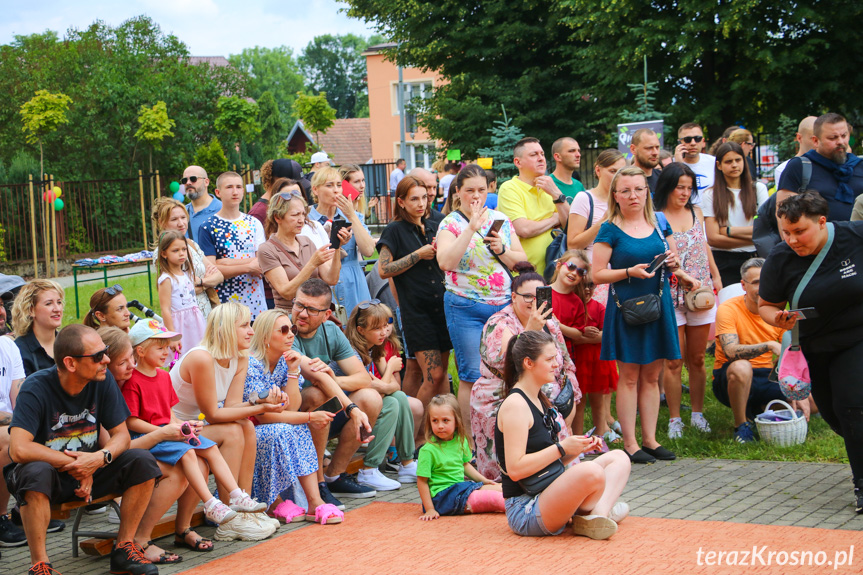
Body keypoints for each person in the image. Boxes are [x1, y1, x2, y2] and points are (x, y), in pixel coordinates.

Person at [7, 324, 162, 575]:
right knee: (34, 471)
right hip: (49, 478)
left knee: (141, 460)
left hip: (89, 471)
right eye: (98, 356)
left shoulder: (102, 379)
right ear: (70, 363)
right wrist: (78, 465)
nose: (107, 360)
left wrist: (98, 459)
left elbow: (121, 436)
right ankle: (40, 565)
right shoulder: (36, 387)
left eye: (106, 351)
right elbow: (19, 449)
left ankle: (124, 550)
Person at [123, 320, 273, 542]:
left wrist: (183, 427)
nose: (166, 352)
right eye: (160, 347)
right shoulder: (133, 381)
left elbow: (170, 412)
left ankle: (237, 495)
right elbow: (132, 421)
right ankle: (211, 503)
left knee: (210, 448)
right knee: (190, 453)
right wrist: (163, 430)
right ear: (141, 351)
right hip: (153, 437)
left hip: (171, 431)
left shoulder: (163, 376)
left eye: (167, 347)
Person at [758, 191, 863, 511]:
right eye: (785, 232)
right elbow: (766, 305)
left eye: (799, 231)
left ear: (822, 221)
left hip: (857, 338)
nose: (792, 240)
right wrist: (776, 319)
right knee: (834, 415)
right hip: (815, 345)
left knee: (852, 405)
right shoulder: (780, 257)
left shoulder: (855, 236)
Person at [592, 167, 700, 464]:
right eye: (625, 190)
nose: (633, 195)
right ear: (615, 195)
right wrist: (628, 271)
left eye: (639, 189)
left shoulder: (659, 221)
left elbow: (672, 260)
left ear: (647, 192)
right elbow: (596, 273)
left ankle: (650, 440)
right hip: (627, 307)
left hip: (657, 304)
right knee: (628, 376)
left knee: (652, 375)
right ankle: (630, 444)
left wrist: (680, 269)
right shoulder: (610, 228)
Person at [495, 330, 631, 539]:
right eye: (549, 359)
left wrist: (576, 449)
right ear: (528, 363)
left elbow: (549, 461)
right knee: (590, 472)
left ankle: (597, 516)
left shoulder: (538, 399)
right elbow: (515, 469)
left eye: (555, 358)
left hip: (548, 489)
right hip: (526, 508)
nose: (556, 364)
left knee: (619, 458)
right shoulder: (516, 405)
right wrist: (561, 448)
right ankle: (597, 515)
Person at [169, 303, 284, 541]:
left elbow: (231, 408)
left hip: (194, 426)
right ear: (223, 329)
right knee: (233, 431)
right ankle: (228, 517)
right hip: (171, 427)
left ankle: (245, 509)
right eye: (243, 325)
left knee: (246, 425)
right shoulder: (201, 357)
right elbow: (212, 413)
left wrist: (265, 404)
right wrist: (261, 407)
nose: (251, 331)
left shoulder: (240, 357)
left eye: (250, 324)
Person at [436, 164, 527, 441]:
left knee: (507, 371)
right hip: (465, 306)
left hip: (501, 306)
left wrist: (503, 249)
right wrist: (471, 228)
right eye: (469, 190)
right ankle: (471, 440)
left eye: (482, 190)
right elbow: (446, 262)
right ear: (458, 193)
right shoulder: (450, 223)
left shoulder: (500, 218)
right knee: (471, 374)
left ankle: (503, 432)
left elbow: (523, 263)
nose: (476, 196)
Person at [470, 262, 578, 480]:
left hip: (544, 395)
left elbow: (565, 362)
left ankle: (560, 479)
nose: (533, 301)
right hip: (500, 393)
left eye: (539, 294)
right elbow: (505, 362)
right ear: (513, 297)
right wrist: (530, 330)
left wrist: (572, 396)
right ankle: (504, 486)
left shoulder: (550, 321)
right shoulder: (498, 322)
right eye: (527, 296)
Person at [244, 309, 344, 525]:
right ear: (264, 337)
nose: (291, 334)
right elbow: (263, 417)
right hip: (244, 427)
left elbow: (293, 405)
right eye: (284, 330)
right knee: (284, 429)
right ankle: (273, 501)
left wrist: (292, 371)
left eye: (292, 329)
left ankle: (314, 502)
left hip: (269, 423)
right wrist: (309, 417)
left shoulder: (284, 360)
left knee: (294, 428)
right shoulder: (250, 364)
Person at [97, 326, 186, 563]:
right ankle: (139, 539)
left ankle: (160, 533)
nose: (132, 366)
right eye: (123, 362)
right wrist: (162, 434)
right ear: (105, 363)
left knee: (185, 467)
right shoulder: (104, 389)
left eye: (131, 359)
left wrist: (173, 429)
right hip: (105, 463)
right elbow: (113, 451)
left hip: (123, 456)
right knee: (174, 472)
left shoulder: (117, 384)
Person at [290, 279, 378, 505]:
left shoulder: (331, 330)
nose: (302, 314)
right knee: (318, 395)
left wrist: (333, 378)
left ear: (327, 314)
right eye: (299, 305)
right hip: (289, 414)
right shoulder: (284, 330)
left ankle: (333, 476)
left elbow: (363, 378)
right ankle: (317, 482)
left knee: (370, 398)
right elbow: (315, 378)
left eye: (311, 310)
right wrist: (350, 406)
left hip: (323, 411)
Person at [653, 163, 722, 439]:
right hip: (670, 293)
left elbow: (704, 245)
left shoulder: (697, 211)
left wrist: (715, 275)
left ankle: (697, 413)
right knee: (673, 360)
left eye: (689, 187)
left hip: (701, 292)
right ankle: (673, 418)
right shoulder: (655, 216)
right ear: (668, 186)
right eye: (680, 186)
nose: (685, 192)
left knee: (696, 358)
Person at [378, 177, 452, 407]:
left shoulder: (434, 225)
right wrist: (418, 255)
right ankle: (413, 431)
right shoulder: (394, 230)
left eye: (424, 198)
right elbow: (383, 270)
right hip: (417, 313)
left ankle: (443, 430)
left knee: (441, 376)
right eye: (414, 199)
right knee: (434, 374)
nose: (421, 203)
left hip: (441, 307)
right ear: (401, 202)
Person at [345, 301, 420, 490]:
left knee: (400, 398)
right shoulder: (352, 351)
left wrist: (381, 384)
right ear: (361, 330)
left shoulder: (375, 348)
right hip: (347, 406)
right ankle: (369, 470)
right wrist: (389, 372)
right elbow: (371, 386)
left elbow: (394, 387)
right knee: (392, 404)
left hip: (365, 402)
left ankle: (407, 463)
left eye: (385, 326)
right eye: (376, 328)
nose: (384, 332)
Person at [712, 258, 786, 443]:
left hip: (769, 375)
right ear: (743, 285)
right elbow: (730, 351)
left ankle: (760, 410)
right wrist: (769, 345)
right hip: (732, 377)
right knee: (741, 367)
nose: (763, 286)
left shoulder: (778, 310)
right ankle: (741, 426)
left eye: (766, 280)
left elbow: (791, 351)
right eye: (756, 282)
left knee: (812, 400)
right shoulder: (728, 308)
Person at [550, 250, 618, 442]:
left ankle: (581, 438)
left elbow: (579, 333)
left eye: (580, 271)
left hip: (573, 358)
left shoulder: (578, 303)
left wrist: (558, 325)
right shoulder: (545, 291)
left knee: (576, 400)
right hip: (547, 354)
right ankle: (560, 439)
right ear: (559, 265)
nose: (574, 273)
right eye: (571, 266)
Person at [417, 394, 504, 520]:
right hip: (442, 497)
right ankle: (523, 510)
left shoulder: (460, 440)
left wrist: (483, 480)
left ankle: (531, 499)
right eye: (435, 421)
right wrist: (430, 509)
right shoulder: (428, 450)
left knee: (500, 488)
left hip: (459, 489)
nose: (440, 425)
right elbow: (422, 482)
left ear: (456, 421)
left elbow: (464, 465)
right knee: (494, 499)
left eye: (445, 420)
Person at [257, 184, 343, 310]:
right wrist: (312, 264)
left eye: (303, 214)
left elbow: (331, 279)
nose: (301, 220)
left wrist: (337, 246)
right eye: (295, 215)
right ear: (277, 217)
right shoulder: (267, 249)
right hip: (288, 318)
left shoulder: (307, 241)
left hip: (315, 315)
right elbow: (286, 293)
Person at [198, 171, 267, 320]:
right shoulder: (208, 227)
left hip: (256, 304)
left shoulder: (254, 223)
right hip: (225, 305)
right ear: (218, 192)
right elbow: (211, 271)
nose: (235, 192)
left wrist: (226, 262)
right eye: (229, 187)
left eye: (238, 187)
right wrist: (248, 266)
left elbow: (261, 263)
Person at [308, 167, 375, 317]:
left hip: (354, 285)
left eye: (339, 185)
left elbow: (369, 251)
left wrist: (351, 215)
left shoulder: (353, 215)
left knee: (359, 332)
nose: (336, 190)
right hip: (323, 286)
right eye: (329, 185)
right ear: (316, 189)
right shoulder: (307, 219)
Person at [702, 142, 770, 286]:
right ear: (719, 165)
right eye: (728, 161)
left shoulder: (758, 189)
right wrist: (754, 239)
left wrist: (728, 230)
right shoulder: (711, 194)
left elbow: (765, 230)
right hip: (724, 261)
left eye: (738, 160)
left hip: (754, 259)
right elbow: (713, 238)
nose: (734, 165)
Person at [498, 138, 570, 272]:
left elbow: (570, 226)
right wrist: (554, 219)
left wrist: (556, 194)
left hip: (555, 274)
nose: (541, 158)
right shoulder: (510, 188)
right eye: (534, 155)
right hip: (526, 276)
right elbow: (524, 229)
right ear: (518, 162)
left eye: (542, 154)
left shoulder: (549, 187)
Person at [567, 149, 627, 306]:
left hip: (622, 275)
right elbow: (573, 244)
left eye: (621, 172)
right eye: (612, 171)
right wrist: (603, 221)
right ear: (598, 170)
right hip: (593, 280)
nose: (616, 177)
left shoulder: (626, 200)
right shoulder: (585, 199)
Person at [777, 113, 863, 221]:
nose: (840, 142)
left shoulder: (859, 165)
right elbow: (785, 219)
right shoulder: (799, 167)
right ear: (816, 141)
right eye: (833, 138)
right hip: (819, 238)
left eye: (844, 136)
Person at [151, 197, 223, 319]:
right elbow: (178, 292)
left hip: (208, 314)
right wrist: (208, 281)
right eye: (174, 219)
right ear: (162, 223)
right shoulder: (162, 253)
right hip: (185, 317)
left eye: (183, 217)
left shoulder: (191, 244)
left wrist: (201, 282)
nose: (181, 223)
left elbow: (219, 276)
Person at [156, 230, 206, 359]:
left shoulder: (187, 274)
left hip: (195, 322)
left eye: (184, 249)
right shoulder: (166, 279)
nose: (181, 253)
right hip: (180, 325)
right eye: (175, 250)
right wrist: (173, 335)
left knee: (199, 354)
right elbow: (165, 309)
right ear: (163, 254)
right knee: (183, 358)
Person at [0, 326, 26, 547]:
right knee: (9, 440)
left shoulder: (8, 345)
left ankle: (25, 508)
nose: (1, 311)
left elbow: (19, 398)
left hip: (7, 422)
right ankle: (1, 516)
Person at [12, 280, 64, 377]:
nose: (57, 309)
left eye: (59, 302)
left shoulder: (69, 343)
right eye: (49, 304)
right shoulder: (19, 351)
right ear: (31, 310)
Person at [673, 123, 715, 206]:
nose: (693, 143)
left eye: (697, 139)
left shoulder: (714, 162)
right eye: (687, 139)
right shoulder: (672, 165)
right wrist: (678, 165)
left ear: (703, 142)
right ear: (679, 142)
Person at [773, 116, 817, 191]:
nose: (817, 143)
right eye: (813, 139)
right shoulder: (783, 169)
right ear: (799, 138)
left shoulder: (830, 165)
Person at [182, 165, 221, 243]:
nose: (188, 183)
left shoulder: (222, 209)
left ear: (206, 182)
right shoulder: (182, 212)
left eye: (193, 179)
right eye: (184, 180)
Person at [630, 128, 663, 194]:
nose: (655, 152)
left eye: (657, 147)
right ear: (633, 149)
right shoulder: (623, 179)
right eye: (649, 148)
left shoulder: (663, 178)